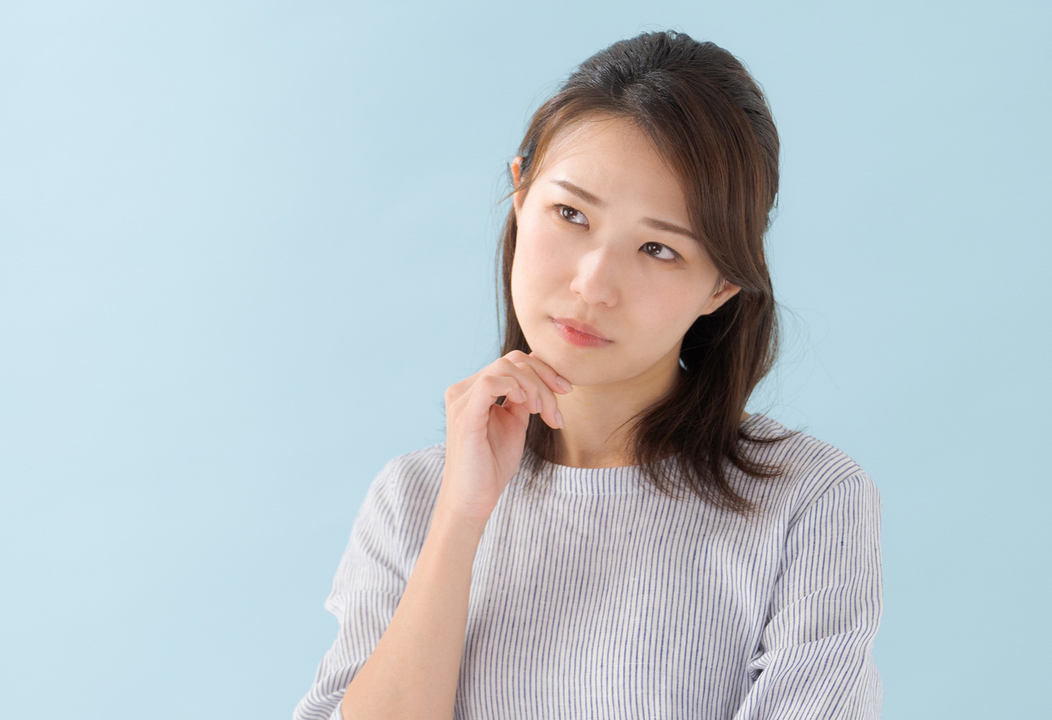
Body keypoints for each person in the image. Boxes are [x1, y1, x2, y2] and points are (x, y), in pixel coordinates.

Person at [293, 30, 883, 720]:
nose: (594, 284)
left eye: (658, 249)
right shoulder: (414, 498)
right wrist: (459, 518)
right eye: (570, 214)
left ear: (722, 286)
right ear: (521, 193)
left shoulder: (809, 503)